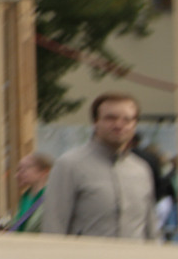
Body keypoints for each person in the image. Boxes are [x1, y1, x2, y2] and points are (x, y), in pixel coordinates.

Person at [36, 95, 155, 240]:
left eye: (127, 120)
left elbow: (151, 229)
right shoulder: (69, 165)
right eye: (110, 118)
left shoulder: (141, 170)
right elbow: (54, 227)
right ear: (95, 122)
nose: (119, 125)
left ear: (135, 125)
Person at [5, 152, 53, 233]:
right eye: (18, 170)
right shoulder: (26, 197)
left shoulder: (51, 198)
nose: (17, 175)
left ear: (43, 172)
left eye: (24, 169)